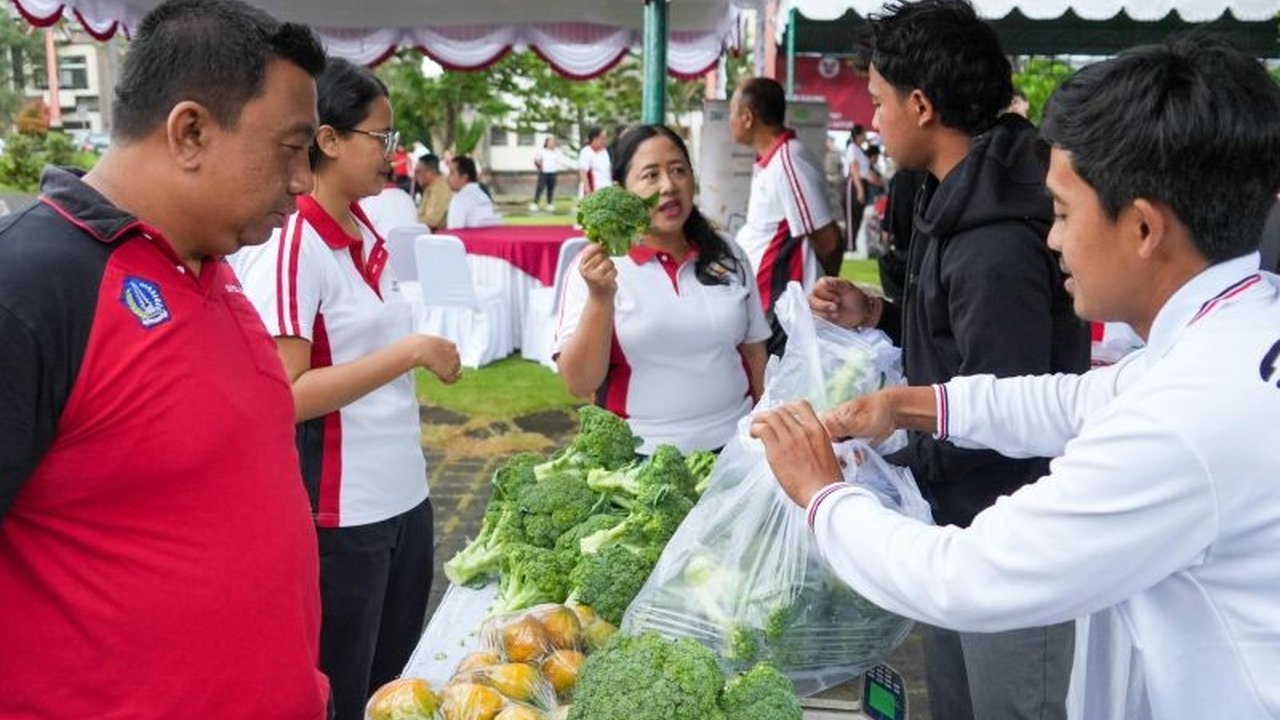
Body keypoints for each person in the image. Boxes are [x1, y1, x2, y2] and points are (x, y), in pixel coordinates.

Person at [754, 34, 1280, 720]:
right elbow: (1067, 398)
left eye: (1062, 214)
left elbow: (964, 579)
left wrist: (822, 493)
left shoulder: (1181, 420)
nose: (1052, 240)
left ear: (1144, 228)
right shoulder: (1232, 334)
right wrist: (906, 406)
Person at [0, 1, 330, 717]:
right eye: (292, 146)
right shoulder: (30, 287)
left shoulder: (212, 262)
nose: (305, 181)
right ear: (190, 132)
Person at [808, 2, 1089, 719]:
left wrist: (887, 461)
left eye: (877, 102)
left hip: (1008, 537)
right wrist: (878, 315)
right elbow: (959, 350)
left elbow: (1002, 406)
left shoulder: (994, 241)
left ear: (921, 105)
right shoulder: (950, 198)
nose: (874, 120)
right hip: (955, 523)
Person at [231, 57, 461, 720]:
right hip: (339, 516)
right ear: (328, 140)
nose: (393, 154)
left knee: (393, 687)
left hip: (404, 496)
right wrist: (410, 352)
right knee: (341, 686)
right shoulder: (293, 244)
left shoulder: (367, 231)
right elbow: (287, 393)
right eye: (381, 138)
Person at [555, 124, 770, 454]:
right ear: (622, 190)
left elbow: (755, 352)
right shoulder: (596, 268)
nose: (669, 186)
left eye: (678, 170)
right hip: (641, 456)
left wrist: (762, 431)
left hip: (736, 446)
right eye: (650, 175)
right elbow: (579, 382)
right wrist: (601, 297)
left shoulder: (729, 251)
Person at [729, 77, 843, 355]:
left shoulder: (789, 160)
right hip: (765, 307)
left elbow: (828, 240)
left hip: (783, 316)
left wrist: (820, 291)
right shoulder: (772, 160)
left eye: (732, 112)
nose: (729, 120)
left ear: (747, 117)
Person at [446, 155, 503, 228]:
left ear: (464, 177)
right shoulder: (484, 195)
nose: (448, 177)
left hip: (473, 238)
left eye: (451, 173)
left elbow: (454, 233)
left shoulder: (459, 200)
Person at [360, 168, 420, 237]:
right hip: (412, 245)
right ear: (394, 176)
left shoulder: (368, 201)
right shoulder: (407, 197)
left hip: (384, 246)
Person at [844, 124, 872, 257]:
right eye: (864, 133)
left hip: (862, 183)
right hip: (854, 183)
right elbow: (854, 169)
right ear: (858, 135)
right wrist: (860, 189)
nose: (865, 136)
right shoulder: (852, 148)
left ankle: (853, 247)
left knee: (858, 216)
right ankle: (850, 248)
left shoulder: (860, 150)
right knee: (852, 217)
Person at [413, 153, 451, 231]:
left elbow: (433, 221)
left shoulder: (441, 188)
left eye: (418, 171)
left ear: (431, 172)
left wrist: (409, 221)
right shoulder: (430, 186)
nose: (415, 175)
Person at [577, 126, 612, 197]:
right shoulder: (586, 152)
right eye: (602, 138)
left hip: (607, 190)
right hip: (593, 191)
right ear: (594, 139)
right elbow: (583, 172)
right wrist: (588, 191)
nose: (604, 141)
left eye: (605, 138)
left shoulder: (606, 152)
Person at [531, 136, 561, 211]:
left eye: (553, 142)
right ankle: (535, 203)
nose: (552, 143)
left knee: (550, 189)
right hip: (543, 173)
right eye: (550, 142)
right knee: (540, 188)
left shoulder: (557, 152)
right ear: (546, 143)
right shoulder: (542, 151)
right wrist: (539, 166)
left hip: (553, 172)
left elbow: (559, 162)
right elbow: (536, 161)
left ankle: (549, 204)